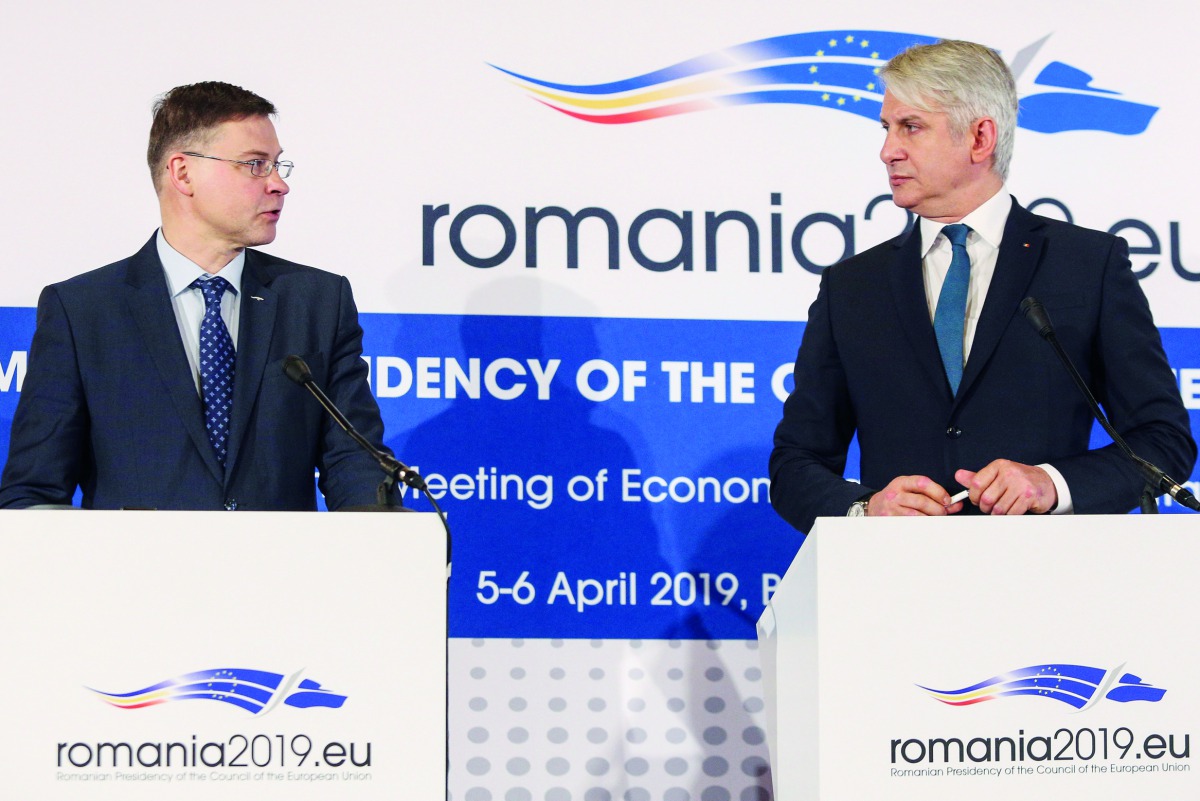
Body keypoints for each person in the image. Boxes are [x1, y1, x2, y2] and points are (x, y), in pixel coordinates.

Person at [769, 40, 1195, 533]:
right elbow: (795, 464)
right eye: (887, 128)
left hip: (1050, 585)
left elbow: (1163, 440)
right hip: (894, 587)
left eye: (911, 127)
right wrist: (867, 509)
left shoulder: (1086, 265)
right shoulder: (852, 287)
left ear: (979, 138)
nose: (888, 150)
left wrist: (1051, 484)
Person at [0, 81, 395, 511]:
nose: (280, 184)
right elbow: (33, 491)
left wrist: (379, 536)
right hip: (135, 576)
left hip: (280, 574)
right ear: (183, 173)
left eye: (279, 165)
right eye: (256, 164)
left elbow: (356, 465)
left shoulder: (317, 302)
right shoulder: (83, 312)